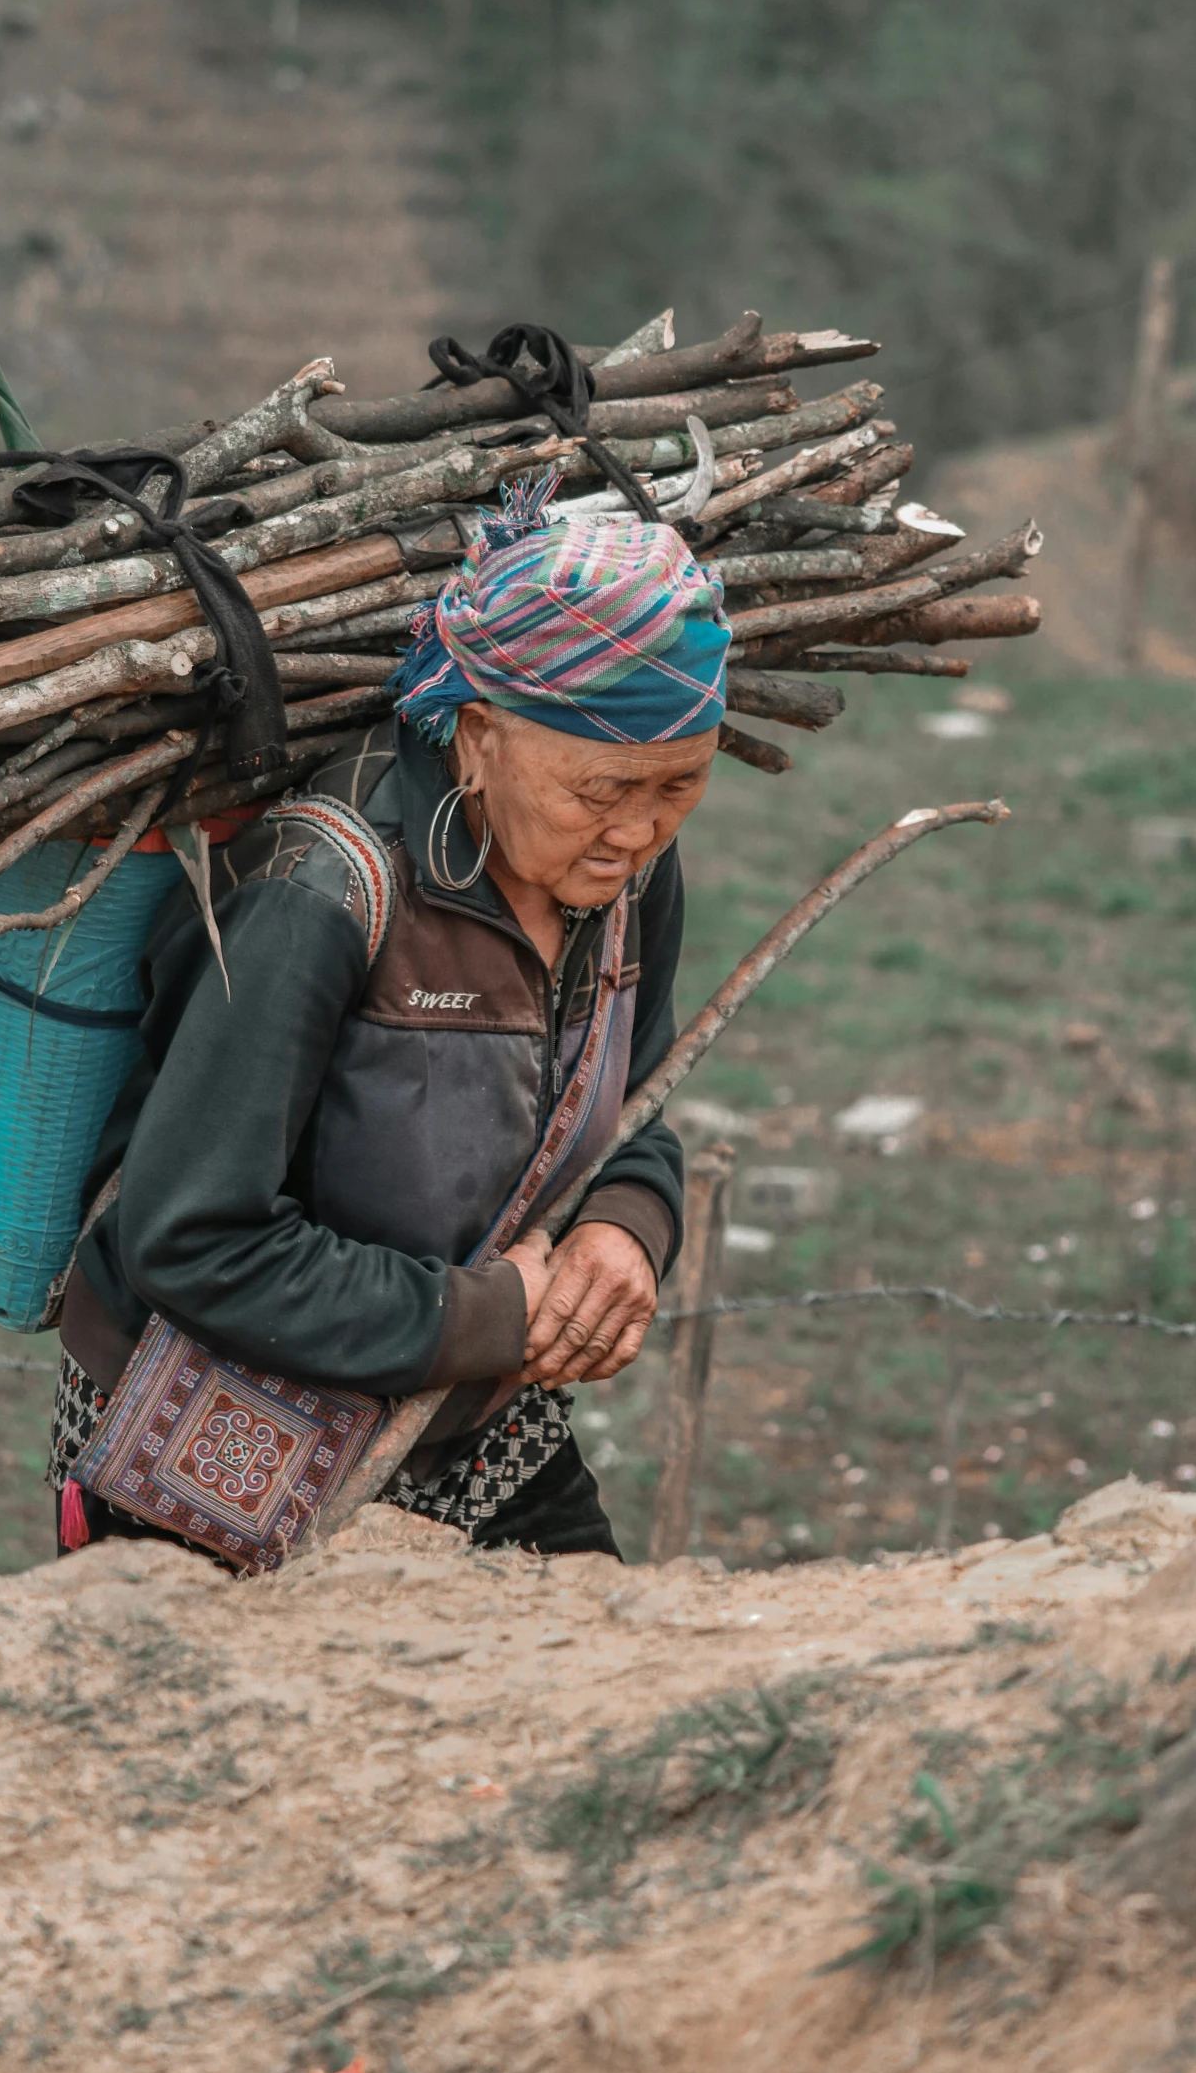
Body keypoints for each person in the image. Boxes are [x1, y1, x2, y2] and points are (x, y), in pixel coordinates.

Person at [48, 470, 731, 1559]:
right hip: (218, 1439)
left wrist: (625, 1226)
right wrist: (489, 1319)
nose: (638, 830)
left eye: (679, 786)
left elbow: (632, 1098)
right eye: (599, 791)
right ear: (476, 732)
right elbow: (192, 1238)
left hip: (470, 1428)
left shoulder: (631, 875)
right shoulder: (316, 895)